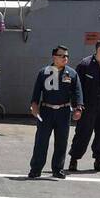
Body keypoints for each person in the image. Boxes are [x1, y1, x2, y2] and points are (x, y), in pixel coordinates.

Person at [28, 46, 84, 179]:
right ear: (54, 57)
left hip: (63, 111)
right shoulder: (44, 72)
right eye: (62, 56)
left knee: (61, 142)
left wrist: (78, 108)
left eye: (67, 56)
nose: (65, 58)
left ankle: (58, 169)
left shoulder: (71, 73)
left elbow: (77, 92)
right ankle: (36, 169)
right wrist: (34, 105)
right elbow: (36, 91)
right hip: (46, 111)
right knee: (41, 141)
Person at [68, 40, 100, 173]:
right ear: (99, 49)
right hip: (88, 107)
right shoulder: (85, 64)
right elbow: (77, 87)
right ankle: (74, 159)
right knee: (82, 134)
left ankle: (99, 160)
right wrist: (78, 106)